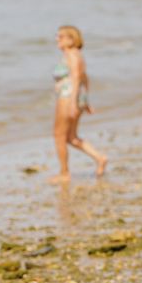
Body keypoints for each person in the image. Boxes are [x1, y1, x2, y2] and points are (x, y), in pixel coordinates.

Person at [50, 25, 107, 181]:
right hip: (75, 97)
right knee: (71, 137)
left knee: (59, 135)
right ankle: (100, 157)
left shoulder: (72, 55)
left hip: (68, 98)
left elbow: (76, 78)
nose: (57, 39)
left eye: (61, 36)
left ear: (71, 39)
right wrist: (85, 100)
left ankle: (64, 173)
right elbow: (85, 78)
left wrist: (74, 103)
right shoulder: (76, 55)